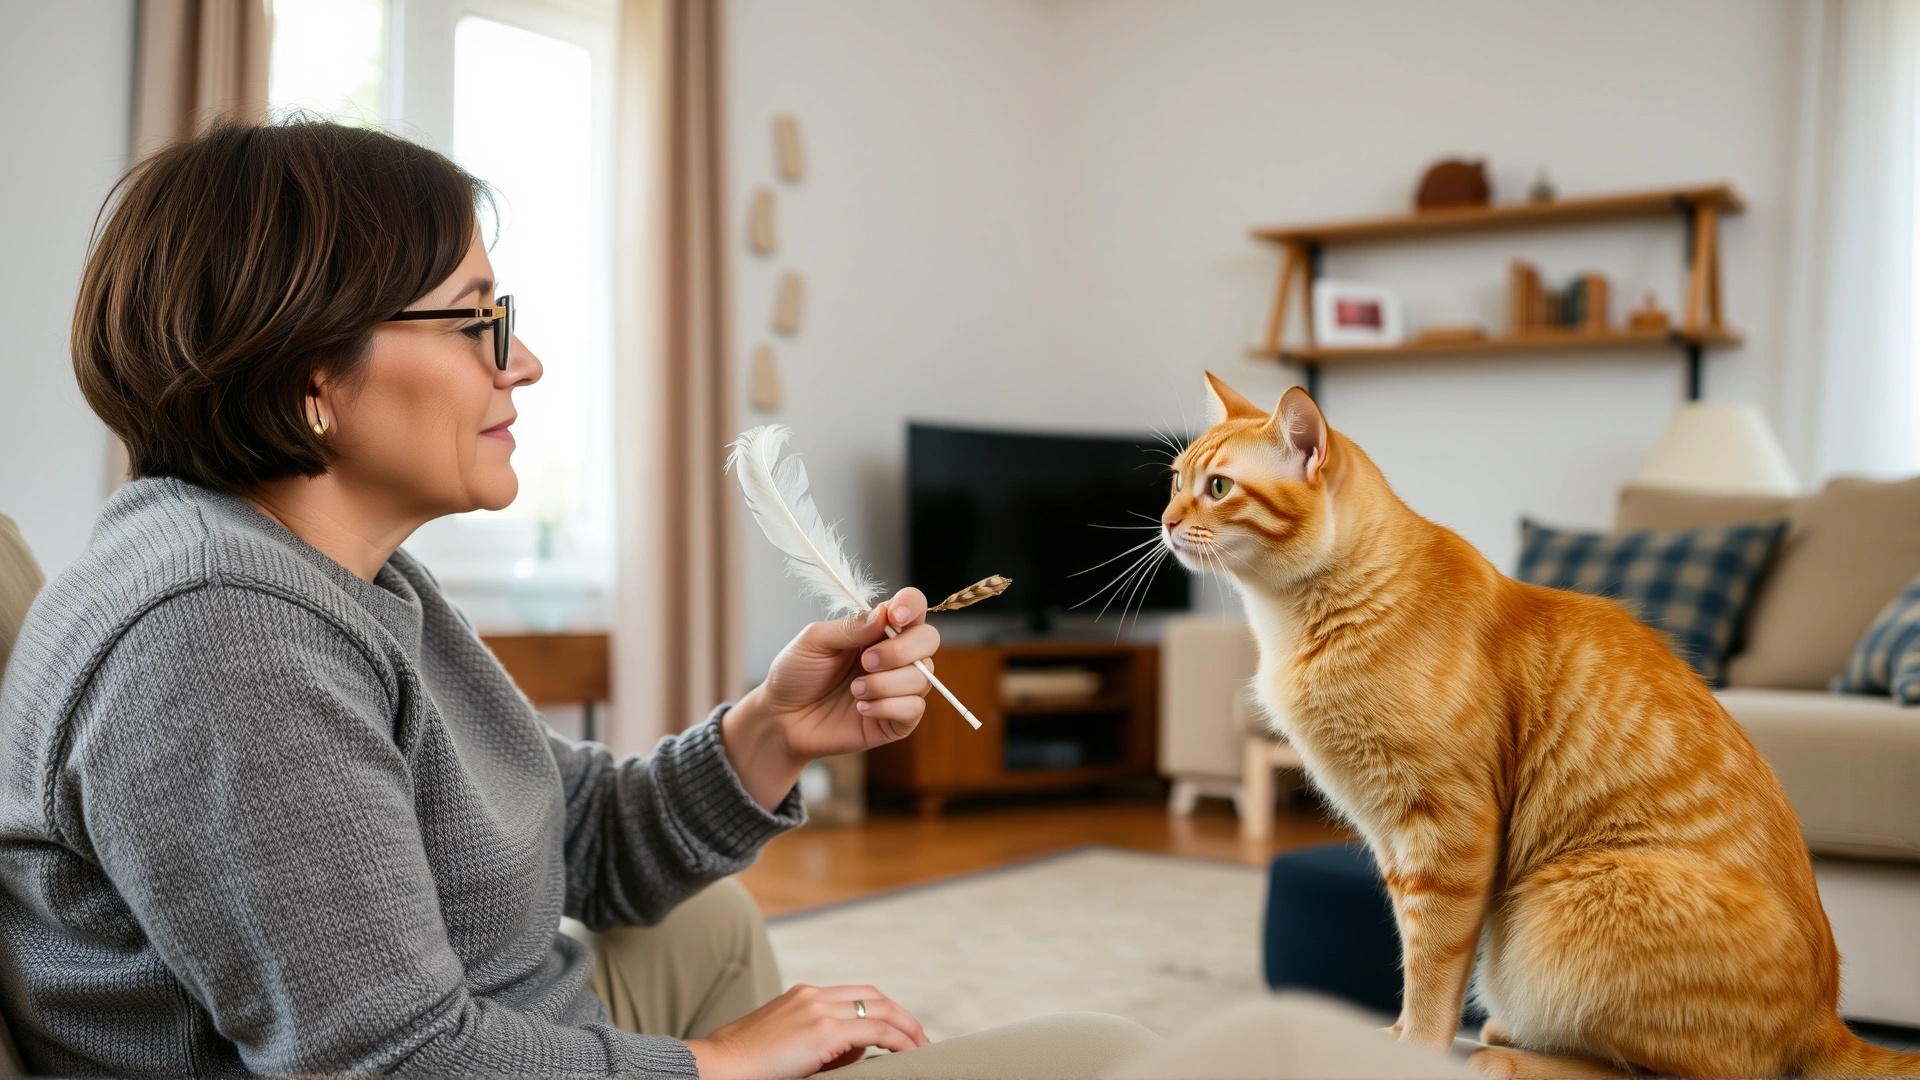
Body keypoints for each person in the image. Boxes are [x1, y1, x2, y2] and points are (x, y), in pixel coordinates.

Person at [0, 121, 1156, 1078]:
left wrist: (769, 732)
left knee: (704, 924)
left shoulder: (348, 580)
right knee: (1111, 1055)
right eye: (478, 320)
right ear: (312, 373)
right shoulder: (217, 637)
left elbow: (581, 841)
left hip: (512, 1025)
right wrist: (718, 1064)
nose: (526, 362)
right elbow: (394, 1066)